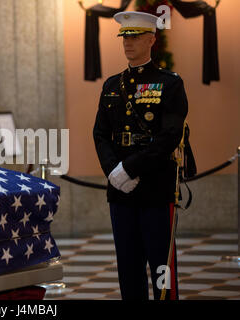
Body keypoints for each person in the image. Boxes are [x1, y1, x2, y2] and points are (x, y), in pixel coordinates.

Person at [93, 11, 188, 300]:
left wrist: (130, 168)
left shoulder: (169, 83)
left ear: (151, 39)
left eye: (134, 37)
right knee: (129, 264)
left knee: (161, 264)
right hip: (120, 189)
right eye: (125, 37)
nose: (128, 43)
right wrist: (114, 172)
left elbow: (170, 136)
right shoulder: (111, 85)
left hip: (156, 186)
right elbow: (99, 134)